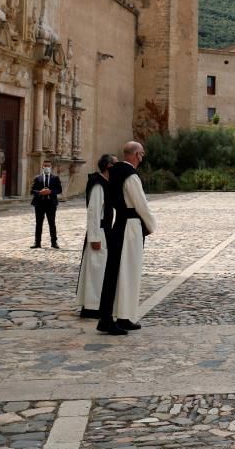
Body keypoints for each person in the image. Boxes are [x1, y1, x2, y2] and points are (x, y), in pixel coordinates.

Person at [97, 141, 157, 335]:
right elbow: (141, 204)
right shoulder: (130, 176)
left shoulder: (115, 172)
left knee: (121, 272)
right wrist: (151, 225)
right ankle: (109, 319)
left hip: (120, 225)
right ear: (137, 154)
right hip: (130, 227)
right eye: (142, 154)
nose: (143, 157)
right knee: (125, 271)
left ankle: (123, 316)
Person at [77, 154, 115, 319]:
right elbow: (93, 212)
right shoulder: (98, 185)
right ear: (108, 166)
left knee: (100, 270)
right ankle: (92, 307)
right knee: (96, 271)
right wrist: (94, 238)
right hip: (98, 232)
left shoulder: (105, 184)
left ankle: (97, 305)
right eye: (115, 164)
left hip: (104, 231)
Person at [30, 159, 62, 248]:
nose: (47, 167)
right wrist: (40, 192)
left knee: (52, 223)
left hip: (51, 203)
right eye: (45, 166)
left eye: (48, 166)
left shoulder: (55, 178)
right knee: (38, 223)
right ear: (42, 167)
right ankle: (37, 243)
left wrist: (50, 192)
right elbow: (32, 190)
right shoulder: (37, 178)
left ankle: (54, 242)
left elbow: (59, 189)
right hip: (39, 204)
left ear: (51, 167)